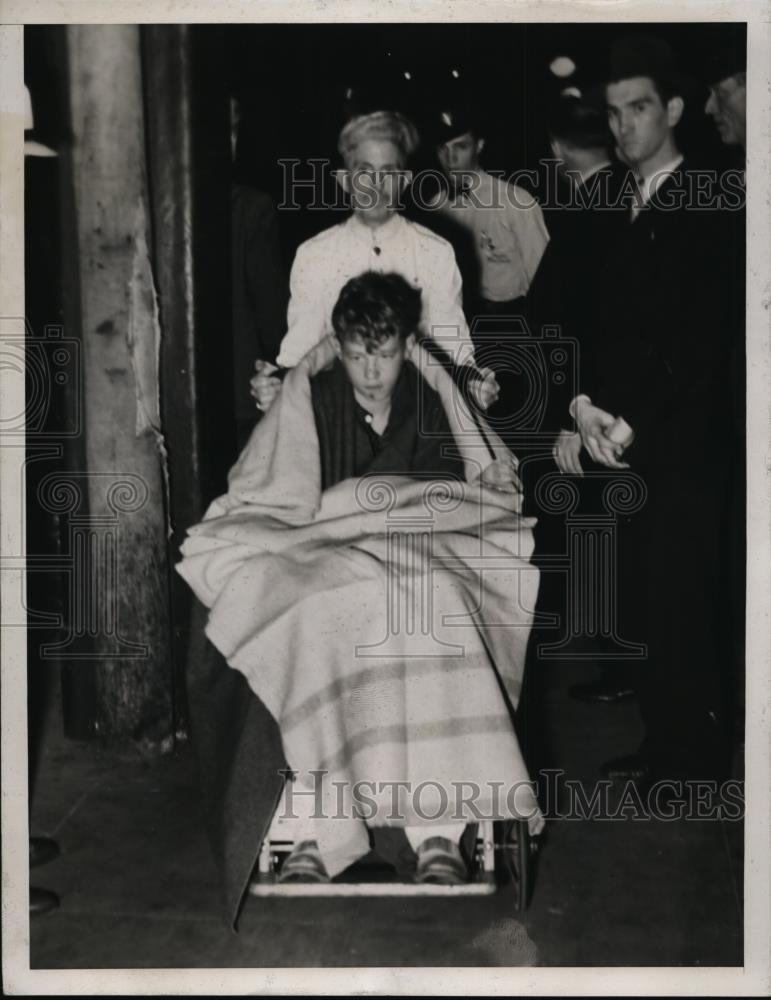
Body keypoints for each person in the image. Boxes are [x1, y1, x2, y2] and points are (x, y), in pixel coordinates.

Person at [178, 271, 541, 900]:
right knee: (314, 614)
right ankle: (323, 833)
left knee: (435, 609)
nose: (370, 372)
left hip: (415, 548)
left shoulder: (432, 405)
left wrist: (386, 519)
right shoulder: (313, 398)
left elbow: (458, 501)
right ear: (337, 348)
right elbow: (269, 496)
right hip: (324, 549)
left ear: (406, 346)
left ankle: (438, 833)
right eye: (354, 355)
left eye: (385, 354)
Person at [569, 35, 736, 789]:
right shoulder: (608, 202)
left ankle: (693, 762)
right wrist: (579, 407)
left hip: (685, 440)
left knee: (686, 599)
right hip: (613, 437)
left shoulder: (712, 198)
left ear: (671, 110)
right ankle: (664, 741)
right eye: (611, 113)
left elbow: (705, 336)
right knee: (641, 593)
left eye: (637, 109)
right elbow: (573, 315)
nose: (621, 127)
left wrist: (631, 418)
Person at [251, 110, 498, 413]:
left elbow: (453, 344)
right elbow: (299, 349)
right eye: (365, 172)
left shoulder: (436, 251)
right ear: (344, 180)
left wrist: (474, 382)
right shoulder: (314, 254)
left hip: (417, 414)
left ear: (405, 181)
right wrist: (276, 383)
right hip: (338, 415)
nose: (376, 186)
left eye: (389, 173)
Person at [524, 93, 638, 705]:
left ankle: (620, 669)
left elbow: (573, 319)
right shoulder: (627, 194)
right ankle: (617, 663)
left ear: (559, 148)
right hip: (611, 402)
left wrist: (570, 409)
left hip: (590, 404)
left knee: (602, 531)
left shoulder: (592, 207)